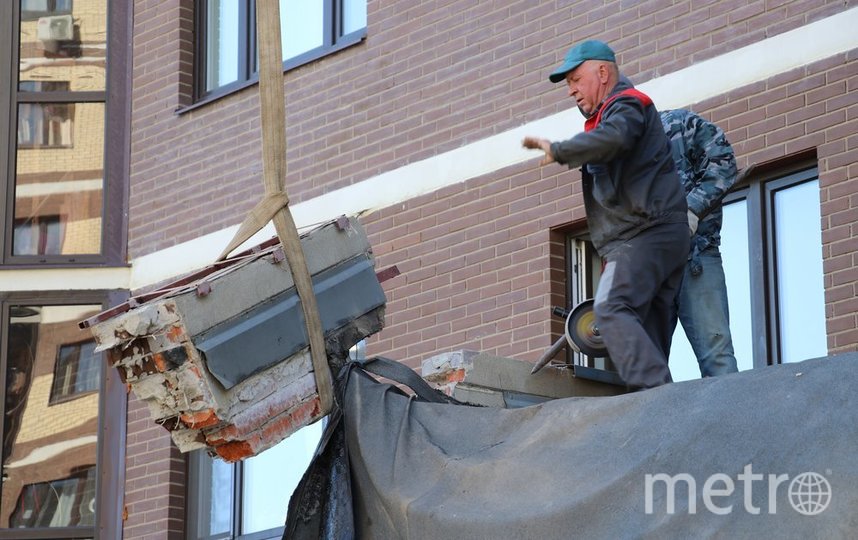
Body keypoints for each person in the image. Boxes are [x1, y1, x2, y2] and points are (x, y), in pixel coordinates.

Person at [522, 40, 689, 390]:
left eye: (575, 80)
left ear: (602, 72)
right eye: (568, 84)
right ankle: (661, 413)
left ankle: (660, 401)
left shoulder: (627, 105)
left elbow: (613, 139)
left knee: (611, 308)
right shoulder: (609, 116)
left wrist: (562, 150)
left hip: (645, 234)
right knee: (647, 336)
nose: (571, 91)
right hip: (652, 236)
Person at [660, 109, 739, 377]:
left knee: (717, 359)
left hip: (695, 260)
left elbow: (723, 161)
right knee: (645, 369)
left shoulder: (678, 125)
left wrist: (692, 210)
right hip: (647, 274)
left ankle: (731, 419)